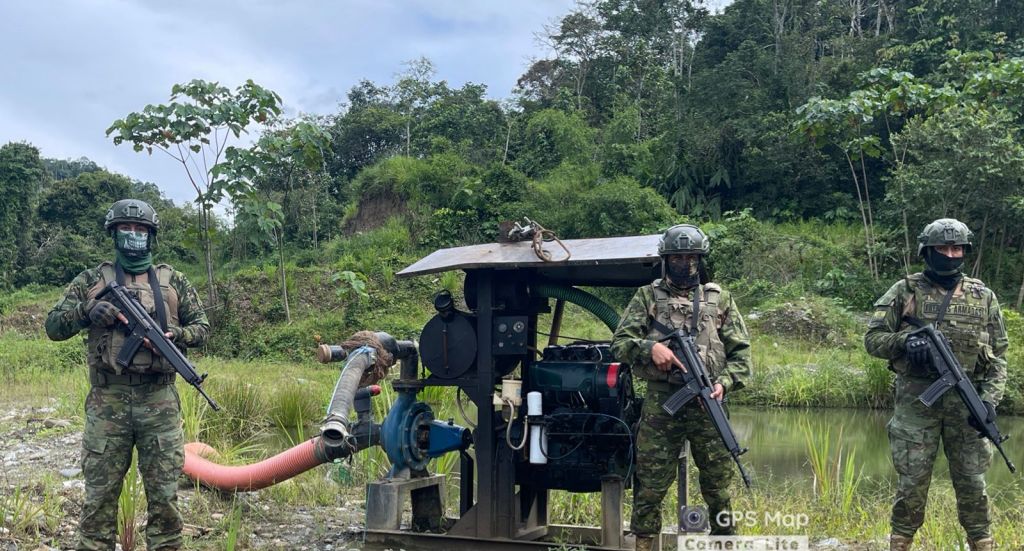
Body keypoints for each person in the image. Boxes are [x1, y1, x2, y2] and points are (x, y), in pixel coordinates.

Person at [45, 199, 210, 551]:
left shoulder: (174, 281)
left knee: (165, 499)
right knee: (99, 499)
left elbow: (203, 328)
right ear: (113, 233)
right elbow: (53, 326)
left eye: (140, 229)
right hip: (108, 401)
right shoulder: (92, 279)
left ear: (151, 235)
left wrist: (176, 335)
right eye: (125, 228)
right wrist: (88, 311)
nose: (133, 234)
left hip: (159, 400)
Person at [865, 218, 1007, 551]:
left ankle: (982, 544)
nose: (950, 254)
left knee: (973, 487)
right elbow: (872, 339)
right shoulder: (905, 291)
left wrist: (989, 402)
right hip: (916, 406)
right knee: (911, 487)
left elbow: (999, 356)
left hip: (968, 408)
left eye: (956, 248)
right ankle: (900, 543)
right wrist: (905, 341)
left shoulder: (983, 296)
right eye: (942, 248)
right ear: (927, 251)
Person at [611, 223, 752, 549]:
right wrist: (650, 349)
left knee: (718, 486)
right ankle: (644, 544)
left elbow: (742, 358)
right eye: (677, 257)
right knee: (650, 486)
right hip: (662, 405)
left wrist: (724, 384)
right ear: (666, 259)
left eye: (691, 257)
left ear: (700, 260)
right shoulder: (648, 296)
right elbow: (619, 344)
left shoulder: (719, 299)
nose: (685, 264)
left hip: (708, 404)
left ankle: (725, 542)